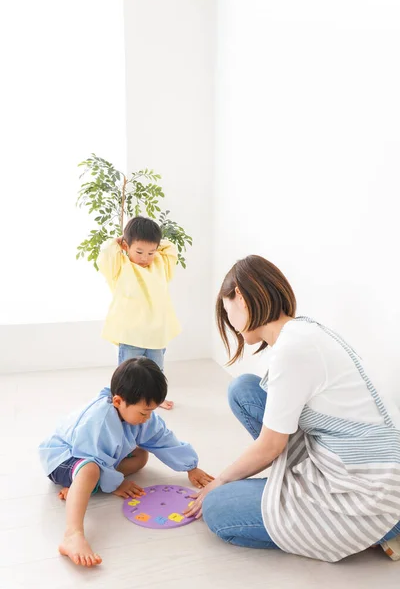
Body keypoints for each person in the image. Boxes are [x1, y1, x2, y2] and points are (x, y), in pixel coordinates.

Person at [185, 255, 400, 562]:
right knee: (244, 389)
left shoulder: (293, 350)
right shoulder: (302, 332)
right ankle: (293, 493)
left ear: (242, 299)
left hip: (371, 493)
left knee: (218, 508)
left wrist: (220, 480)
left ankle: (378, 530)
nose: (228, 319)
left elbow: (270, 446)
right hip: (361, 462)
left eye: (226, 307)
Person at [39, 357, 213, 567]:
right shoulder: (98, 420)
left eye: (151, 411)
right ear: (118, 402)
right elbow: (90, 456)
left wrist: (190, 467)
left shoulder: (139, 413)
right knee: (90, 471)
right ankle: (72, 534)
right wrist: (116, 484)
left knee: (141, 456)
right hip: (65, 458)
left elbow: (161, 437)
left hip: (96, 459)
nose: (148, 418)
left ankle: (83, 487)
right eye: (143, 412)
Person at [97, 216, 181, 409]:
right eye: (139, 251)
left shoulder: (160, 265)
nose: (145, 258)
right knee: (128, 371)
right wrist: (117, 242)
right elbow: (105, 255)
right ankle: (123, 400)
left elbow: (170, 248)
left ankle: (155, 399)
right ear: (126, 247)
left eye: (151, 252)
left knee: (156, 371)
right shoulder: (120, 267)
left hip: (156, 334)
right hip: (131, 333)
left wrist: (155, 247)